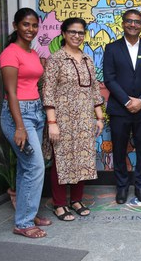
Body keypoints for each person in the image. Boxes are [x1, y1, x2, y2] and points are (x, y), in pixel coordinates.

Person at [43, 18, 104, 221]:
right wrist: (52, 123)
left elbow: (95, 89)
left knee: (83, 159)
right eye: (72, 32)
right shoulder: (56, 59)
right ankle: (59, 204)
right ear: (64, 33)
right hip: (62, 120)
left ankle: (76, 200)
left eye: (80, 32)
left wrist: (99, 117)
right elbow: (48, 91)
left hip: (85, 119)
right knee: (61, 160)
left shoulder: (87, 59)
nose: (77, 36)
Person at [0, 8, 51, 238]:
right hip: (18, 115)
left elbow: (33, 82)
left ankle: (26, 213)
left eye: (34, 25)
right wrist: (19, 126)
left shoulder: (31, 52)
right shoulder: (10, 53)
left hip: (36, 112)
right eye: (25, 25)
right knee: (35, 166)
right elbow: (11, 93)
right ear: (15, 25)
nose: (30, 29)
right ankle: (23, 223)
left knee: (25, 167)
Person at [103, 9, 141, 204]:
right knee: (119, 150)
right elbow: (109, 79)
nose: (133, 24)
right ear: (123, 23)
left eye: (136, 22)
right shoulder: (112, 48)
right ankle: (122, 188)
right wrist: (127, 101)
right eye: (129, 21)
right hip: (119, 109)